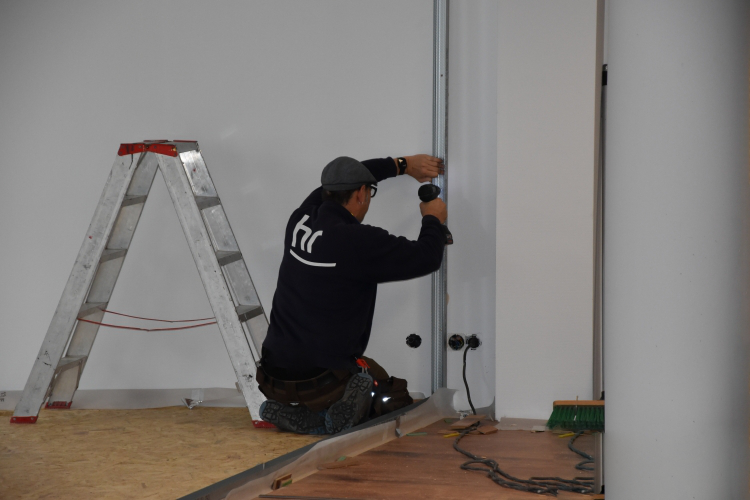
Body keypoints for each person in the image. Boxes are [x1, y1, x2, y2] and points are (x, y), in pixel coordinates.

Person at [258, 154, 447, 434]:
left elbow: (350, 175)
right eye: (369, 191)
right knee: (392, 398)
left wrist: (403, 165)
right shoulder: (359, 241)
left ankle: (306, 415)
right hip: (324, 380)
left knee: (354, 372)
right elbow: (426, 257)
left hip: (272, 375)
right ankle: (328, 420)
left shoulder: (301, 219)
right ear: (361, 194)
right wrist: (433, 219)